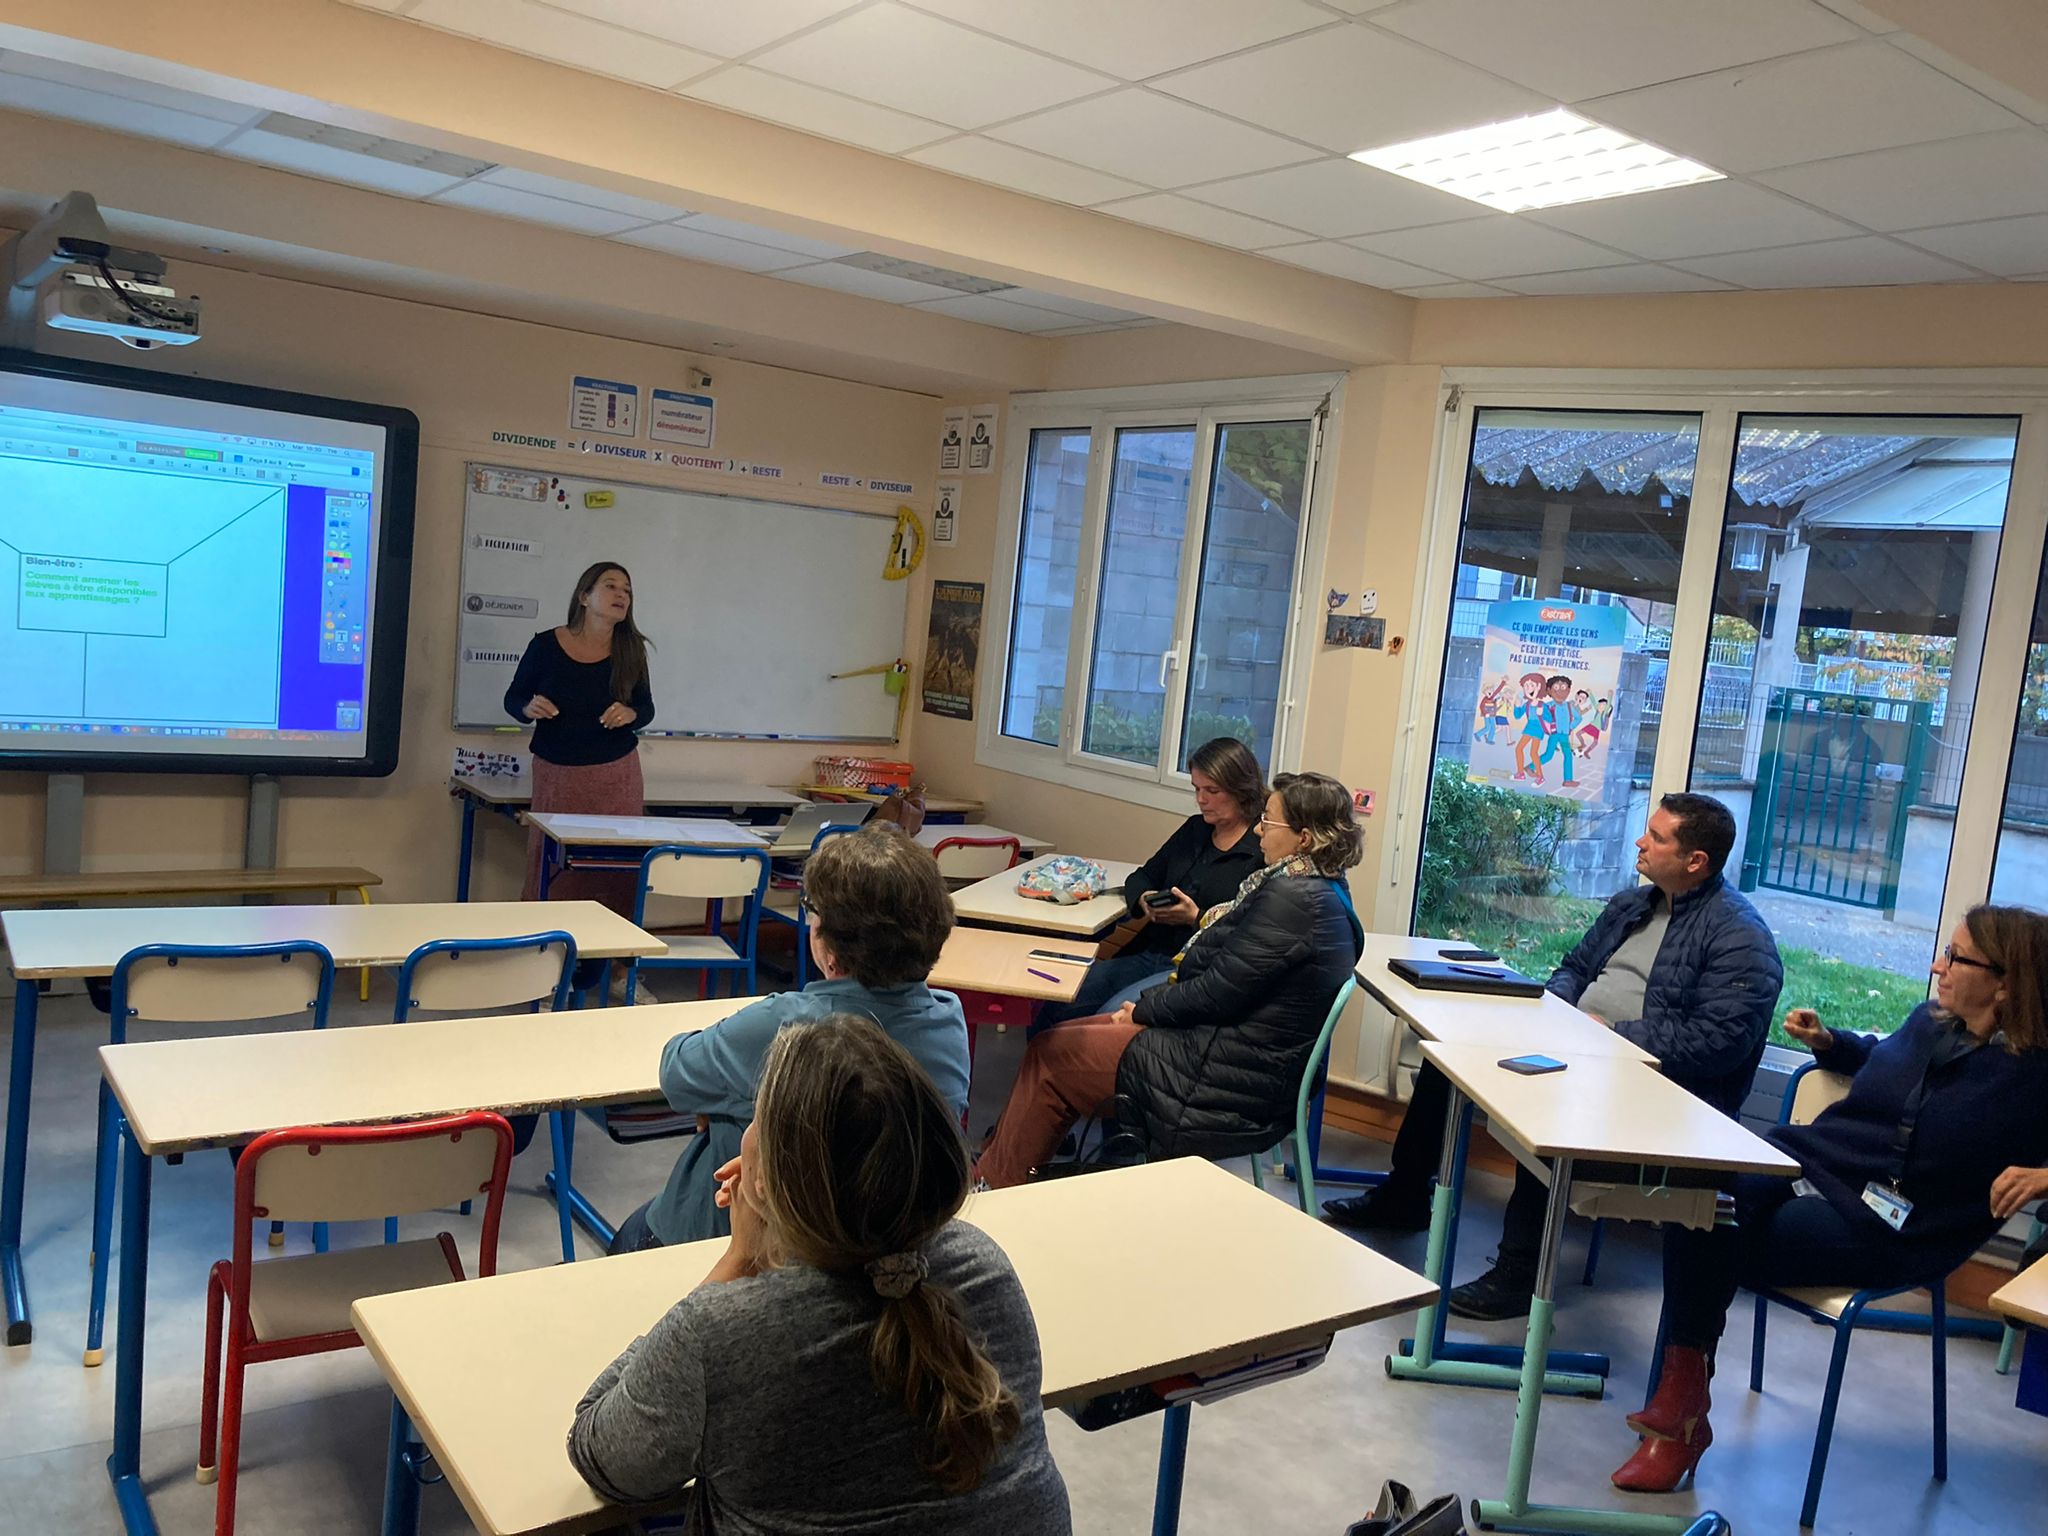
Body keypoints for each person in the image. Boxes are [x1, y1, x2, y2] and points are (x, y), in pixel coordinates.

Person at [569, 1018, 1072, 1533]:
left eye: (754, 1116)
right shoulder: (984, 1265)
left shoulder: (718, 1334)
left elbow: (601, 1453)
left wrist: (739, 1259)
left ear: (766, 1185)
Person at [1612, 904, 2048, 1493]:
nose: (1937, 965)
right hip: (1812, 1160)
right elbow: (1883, 1060)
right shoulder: (1930, 1022)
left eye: (1955, 956)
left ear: (2005, 982)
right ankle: (1681, 1403)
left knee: (1710, 1227)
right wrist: (1832, 1044)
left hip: (1891, 1227)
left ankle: (1678, 1412)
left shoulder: (2033, 1076)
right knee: (1701, 1195)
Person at [1325, 792, 1783, 1322]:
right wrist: (1559, 1015)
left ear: (1694, 861)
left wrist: (1612, 1035)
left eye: (1656, 837)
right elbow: (1573, 967)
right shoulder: (1634, 904)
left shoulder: (1740, 937)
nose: (1640, 841)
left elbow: (1717, 1043)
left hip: (1652, 1089)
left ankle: (1521, 1274)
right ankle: (1406, 1197)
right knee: (1447, 1058)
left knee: (1548, 1110)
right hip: (1580, 1048)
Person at [975, 771, 1365, 1189]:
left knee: (1052, 1056)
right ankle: (1000, 1175)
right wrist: (1146, 1010)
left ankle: (994, 1187)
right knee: (1054, 1041)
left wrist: (1144, 1010)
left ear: (1304, 838)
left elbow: (1216, 992)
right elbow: (1223, 984)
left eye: (1268, 821)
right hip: (1233, 1055)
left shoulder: (1292, 901)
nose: (1258, 830)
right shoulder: (1320, 890)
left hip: (1220, 1077)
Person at [607, 824, 968, 1253]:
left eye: (811, 910)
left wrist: (723, 1100)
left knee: (629, 1238)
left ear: (830, 948)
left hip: (747, 1244)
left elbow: (677, 1072)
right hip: (883, 1237)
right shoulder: (947, 1020)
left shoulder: (785, 1026)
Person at [1037, 736, 1266, 1029]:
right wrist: (1145, 899)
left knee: (1106, 1022)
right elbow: (1142, 876)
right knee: (1060, 1002)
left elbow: (1248, 933)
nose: (1201, 800)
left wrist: (1195, 917)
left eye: (1212, 790)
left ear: (1241, 790)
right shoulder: (1195, 830)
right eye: (1196, 789)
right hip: (1149, 953)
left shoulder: (1259, 851)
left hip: (1194, 969)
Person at [505, 561, 656, 912]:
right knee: (552, 864)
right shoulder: (545, 645)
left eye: (627, 591)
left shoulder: (631, 649)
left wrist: (631, 714)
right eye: (611, 586)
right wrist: (528, 707)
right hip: (557, 775)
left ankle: (614, 961)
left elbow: (645, 708)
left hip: (616, 777)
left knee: (615, 869)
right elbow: (513, 698)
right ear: (584, 597)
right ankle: (547, 948)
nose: (622, 595)